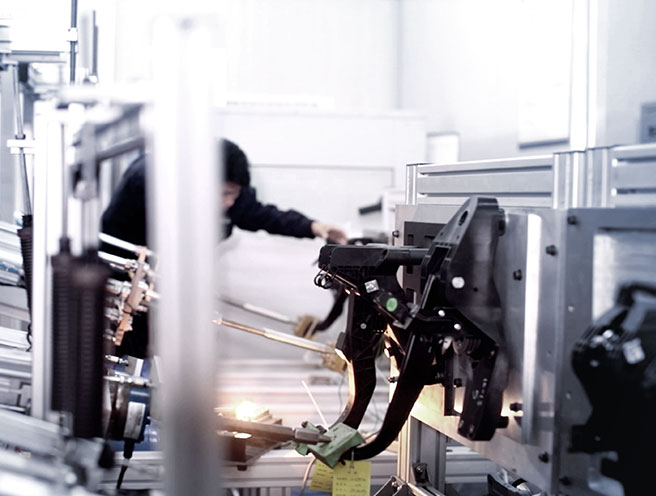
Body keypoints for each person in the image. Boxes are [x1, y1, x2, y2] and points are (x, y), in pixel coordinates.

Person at [101, 139, 347, 357]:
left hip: (162, 276)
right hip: (126, 270)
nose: (229, 202)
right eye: (224, 194)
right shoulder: (149, 184)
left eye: (234, 194)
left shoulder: (229, 194)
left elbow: (260, 215)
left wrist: (313, 227)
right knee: (132, 339)